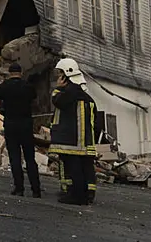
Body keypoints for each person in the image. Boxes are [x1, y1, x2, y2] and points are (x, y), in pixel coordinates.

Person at [48, 58, 98, 206]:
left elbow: (58, 102)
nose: (58, 77)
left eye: (60, 74)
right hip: (82, 140)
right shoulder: (85, 96)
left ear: (66, 75)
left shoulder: (70, 92)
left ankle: (76, 196)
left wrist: (57, 89)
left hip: (72, 140)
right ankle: (85, 194)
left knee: (73, 168)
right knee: (84, 168)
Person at [0, 63, 42, 197]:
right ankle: (36, 189)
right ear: (21, 73)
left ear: (10, 73)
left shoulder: (4, 87)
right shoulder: (28, 87)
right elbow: (36, 104)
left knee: (15, 157)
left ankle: (19, 188)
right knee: (30, 158)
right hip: (26, 124)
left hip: (11, 124)